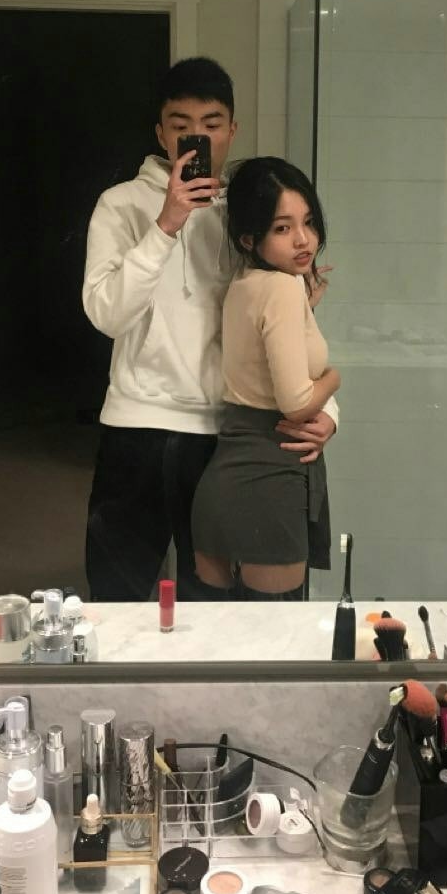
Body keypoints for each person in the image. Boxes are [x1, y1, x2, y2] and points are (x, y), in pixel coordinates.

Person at [81, 58, 337, 601]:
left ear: (232, 130)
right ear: (161, 133)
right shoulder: (121, 206)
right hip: (138, 427)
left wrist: (327, 412)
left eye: (212, 124)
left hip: (230, 432)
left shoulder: (248, 214)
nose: (197, 137)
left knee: (215, 602)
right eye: (181, 125)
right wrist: (166, 224)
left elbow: (285, 324)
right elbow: (107, 315)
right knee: (117, 594)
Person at [191, 157, 339, 601]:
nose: (303, 239)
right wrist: (334, 378)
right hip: (270, 477)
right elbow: (296, 402)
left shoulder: (243, 284)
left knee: (221, 633)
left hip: (224, 479)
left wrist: (305, 311)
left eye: (308, 222)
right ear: (248, 238)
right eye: (282, 228)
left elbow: (259, 361)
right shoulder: (282, 288)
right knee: (277, 636)